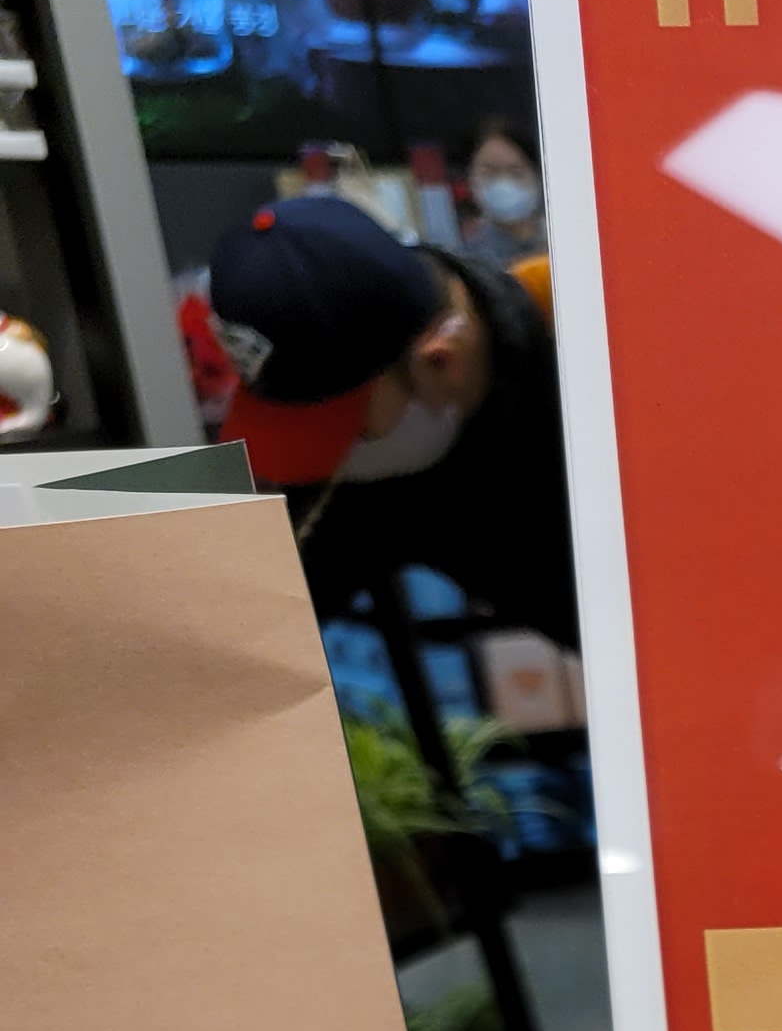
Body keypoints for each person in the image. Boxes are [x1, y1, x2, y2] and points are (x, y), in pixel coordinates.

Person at [202, 191, 577, 646]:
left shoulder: (593, 346)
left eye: (352, 432)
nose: (331, 465)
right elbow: (236, 632)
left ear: (442, 361)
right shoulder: (369, 466)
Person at [460, 121, 547, 271]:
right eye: (490, 172)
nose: (503, 183)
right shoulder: (469, 261)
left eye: (515, 172)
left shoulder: (560, 243)